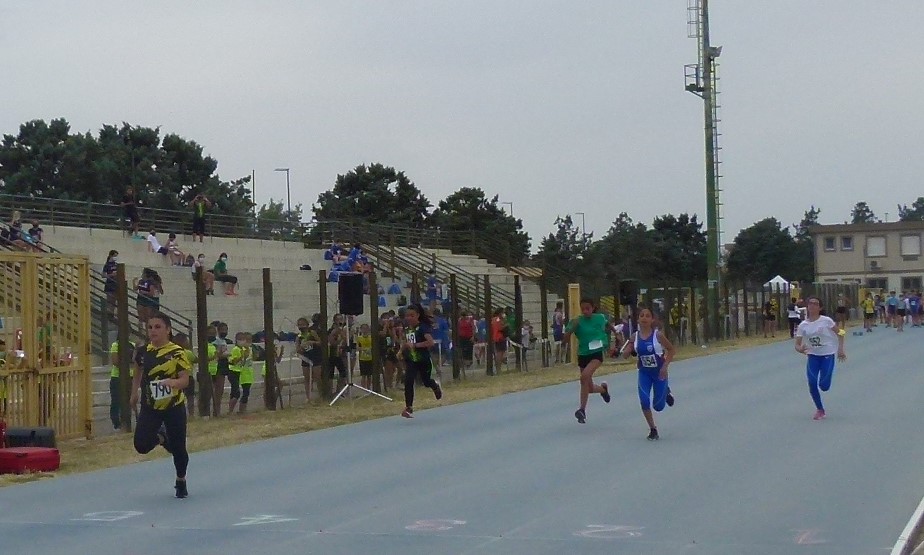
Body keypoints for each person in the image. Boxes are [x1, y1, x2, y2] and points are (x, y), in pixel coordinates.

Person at [130, 311, 192, 498]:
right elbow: (138, 371)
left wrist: (173, 383)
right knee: (141, 445)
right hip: (151, 406)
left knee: (179, 449)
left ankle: (181, 480)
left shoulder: (177, 352)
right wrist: (134, 393)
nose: (153, 331)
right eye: (150, 327)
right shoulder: (143, 352)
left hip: (173, 406)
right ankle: (161, 438)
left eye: (158, 327)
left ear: (168, 330)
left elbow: (185, 380)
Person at [622, 304, 677, 440]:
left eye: (647, 316)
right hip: (644, 373)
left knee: (658, 406)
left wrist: (665, 366)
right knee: (644, 401)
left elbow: (671, 350)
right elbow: (625, 354)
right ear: (638, 319)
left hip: (659, 374)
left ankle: (666, 391)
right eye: (642, 316)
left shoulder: (658, 335)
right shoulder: (634, 336)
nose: (644, 318)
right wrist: (627, 350)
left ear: (652, 320)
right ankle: (653, 429)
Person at [794, 296, 847, 420]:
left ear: (820, 307)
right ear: (807, 306)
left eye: (815, 303)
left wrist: (840, 349)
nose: (812, 305)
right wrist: (800, 349)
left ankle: (826, 380)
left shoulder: (826, 321)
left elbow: (841, 333)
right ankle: (820, 409)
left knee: (824, 386)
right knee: (812, 383)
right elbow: (797, 344)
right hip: (813, 356)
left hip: (827, 355)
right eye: (810, 303)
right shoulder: (803, 325)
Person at [561, 298, 612, 424]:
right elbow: (565, 339)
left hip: (596, 353)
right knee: (588, 388)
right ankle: (603, 390)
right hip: (583, 354)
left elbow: (608, 325)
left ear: (593, 308)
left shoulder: (599, 318)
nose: (585, 311)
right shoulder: (577, 321)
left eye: (587, 308)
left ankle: (582, 410)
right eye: (582, 309)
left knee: (584, 377)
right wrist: (571, 330)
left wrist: (617, 335)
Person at [400, 303, 443, 418]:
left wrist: (416, 345)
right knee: (408, 381)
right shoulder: (407, 328)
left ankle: (434, 385)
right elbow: (406, 342)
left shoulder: (423, 327)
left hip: (423, 359)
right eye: (407, 316)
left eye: (412, 315)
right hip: (411, 360)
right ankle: (409, 407)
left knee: (426, 381)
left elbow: (430, 342)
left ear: (418, 315)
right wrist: (400, 351)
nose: (409, 318)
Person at [108, 338, 136, 430]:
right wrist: (128, 361)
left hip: (130, 375)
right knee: (116, 400)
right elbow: (115, 361)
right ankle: (116, 423)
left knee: (129, 400)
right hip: (117, 376)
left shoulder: (132, 345)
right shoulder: (115, 345)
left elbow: (136, 360)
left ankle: (128, 420)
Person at [173, 333, 197, 418]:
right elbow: (195, 359)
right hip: (188, 377)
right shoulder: (187, 353)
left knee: (177, 396)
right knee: (190, 396)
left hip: (176, 378)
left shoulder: (173, 353)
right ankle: (191, 414)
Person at [228, 331, 252, 414]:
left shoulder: (243, 349)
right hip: (233, 371)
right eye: (241, 339)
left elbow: (242, 363)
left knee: (236, 391)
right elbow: (234, 361)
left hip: (239, 371)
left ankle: (239, 410)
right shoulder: (235, 349)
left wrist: (245, 357)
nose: (243, 341)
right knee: (236, 392)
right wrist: (242, 356)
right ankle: (230, 410)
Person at [356, 323, 374, 391]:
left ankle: (369, 388)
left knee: (369, 375)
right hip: (362, 358)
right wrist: (363, 349)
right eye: (363, 328)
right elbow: (357, 347)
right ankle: (363, 388)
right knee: (363, 375)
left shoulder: (371, 338)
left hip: (370, 358)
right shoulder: (359, 338)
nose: (365, 330)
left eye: (366, 328)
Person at [103, 250, 119, 320]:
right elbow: (103, 275)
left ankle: (112, 315)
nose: (115, 257)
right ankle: (109, 314)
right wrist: (111, 275)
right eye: (114, 256)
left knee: (114, 301)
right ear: (110, 256)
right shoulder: (107, 265)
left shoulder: (116, 265)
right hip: (109, 284)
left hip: (116, 284)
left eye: (116, 256)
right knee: (109, 300)